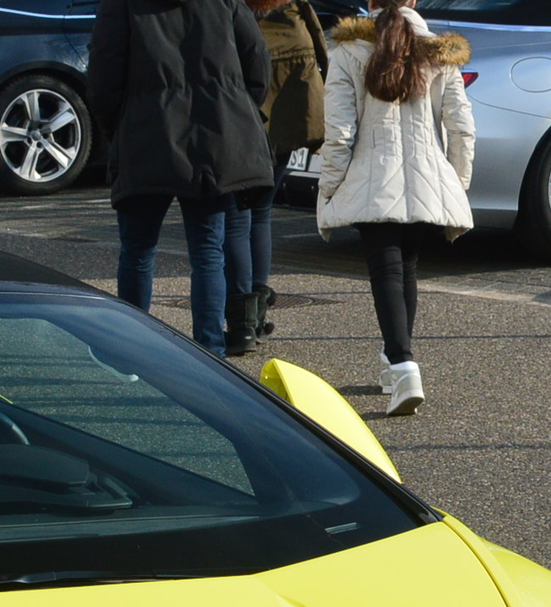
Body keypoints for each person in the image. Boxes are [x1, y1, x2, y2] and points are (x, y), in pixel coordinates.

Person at [313, 0, 473, 415]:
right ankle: (395, 361)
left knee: (385, 269)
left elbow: (340, 132)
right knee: (406, 268)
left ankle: (402, 364)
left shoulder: (348, 51)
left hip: (372, 178)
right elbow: (461, 127)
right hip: (427, 175)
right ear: (415, 1)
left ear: (369, 2)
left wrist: (329, 188)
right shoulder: (441, 53)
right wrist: (455, 184)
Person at [91, 0, 272, 354]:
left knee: (138, 250)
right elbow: (257, 63)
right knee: (207, 252)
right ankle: (210, 349)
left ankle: (133, 349)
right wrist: (233, 110)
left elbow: (103, 72)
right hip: (212, 133)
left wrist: (117, 124)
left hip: (146, 130)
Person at [231, 0, 329, 355]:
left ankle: (240, 322)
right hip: (287, 116)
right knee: (260, 211)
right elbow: (320, 58)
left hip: (242, 117)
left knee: (238, 214)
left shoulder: (231, 12)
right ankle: (253, 319)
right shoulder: (295, 12)